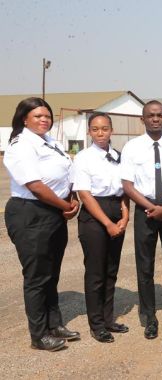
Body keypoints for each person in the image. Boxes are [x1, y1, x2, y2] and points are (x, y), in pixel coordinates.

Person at [4, 97, 80, 351]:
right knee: (37, 277)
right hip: (30, 213)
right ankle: (39, 335)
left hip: (55, 212)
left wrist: (72, 200)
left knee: (51, 274)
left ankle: (54, 324)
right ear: (24, 118)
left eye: (47, 115)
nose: (44, 119)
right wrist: (66, 206)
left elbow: (66, 175)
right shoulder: (20, 145)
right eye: (38, 116)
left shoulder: (51, 142)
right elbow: (35, 186)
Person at [120, 100, 162, 339]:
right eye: (151, 115)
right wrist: (152, 207)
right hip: (145, 211)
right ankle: (149, 317)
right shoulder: (132, 147)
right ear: (143, 119)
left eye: (160, 115)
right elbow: (127, 185)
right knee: (145, 266)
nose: (156, 119)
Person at [72, 112, 130, 343]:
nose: (100, 133)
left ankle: (108, 319)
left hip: (117, 209)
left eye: (104, 128)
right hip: (95, 215)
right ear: (89, 132)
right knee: (96, 272)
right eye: (95, 129)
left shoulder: (118, 156)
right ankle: (97, 325)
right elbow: (84, 194)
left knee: (111, 270)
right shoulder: (83, 158)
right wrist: (107, 223)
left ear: (111, 130)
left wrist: (125, 217)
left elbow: (125, 190)